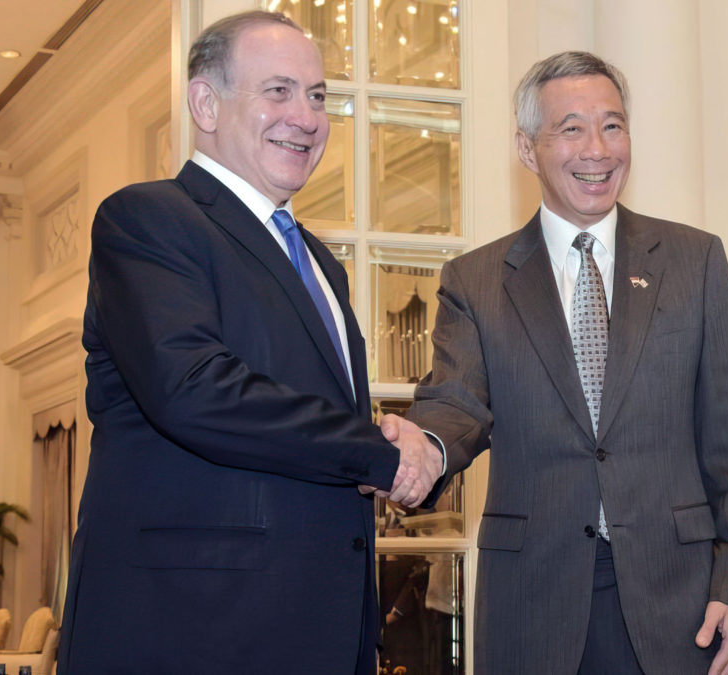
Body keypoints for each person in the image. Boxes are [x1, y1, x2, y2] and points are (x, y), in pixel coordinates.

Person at [57, 11, 442, 673]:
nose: (306, 116)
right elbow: (194, 390)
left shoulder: (323, 264)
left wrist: (406, 449)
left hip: (320, 635)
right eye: (278, 91)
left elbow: (315, 418)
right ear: (205, 102)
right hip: (191, 630)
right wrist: (381, 454)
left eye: (318, 96)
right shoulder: (148, 219)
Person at [400, 51, 728, 674]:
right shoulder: (477, 279)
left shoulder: (693, 260)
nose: (597, 149)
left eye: (613, 125)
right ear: (527, 148)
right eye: (570, 128)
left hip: (675, 597)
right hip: (533, 596)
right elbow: (456, 403)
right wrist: (422, 448)